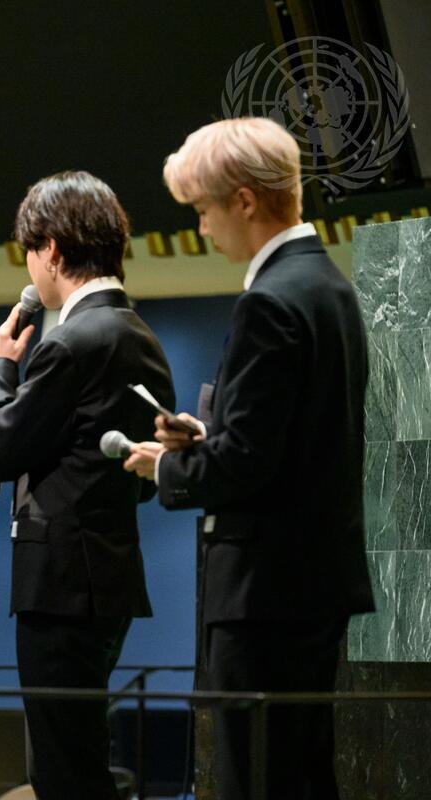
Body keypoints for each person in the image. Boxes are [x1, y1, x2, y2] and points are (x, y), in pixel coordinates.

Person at [122, 117, 375, 800]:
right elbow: (291, 445)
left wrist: (167, 467)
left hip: (263, 593)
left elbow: (248, 467)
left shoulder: (271, 300)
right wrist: (213, 440)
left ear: (243, 200)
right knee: (299, 774)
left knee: (255, 780)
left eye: (202, 208)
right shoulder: (330, 288)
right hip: (309, 584)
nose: (202, 228)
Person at [0, 171, 175, 800]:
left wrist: (0, 366)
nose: (31, 268)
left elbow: (1, 444)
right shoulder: (141, 338)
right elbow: (140, 481)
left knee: (63, 771)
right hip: (107, 579)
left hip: (60, 586)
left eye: (30, 252)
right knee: (79, 757)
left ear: (53, 249)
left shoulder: (71, 341)